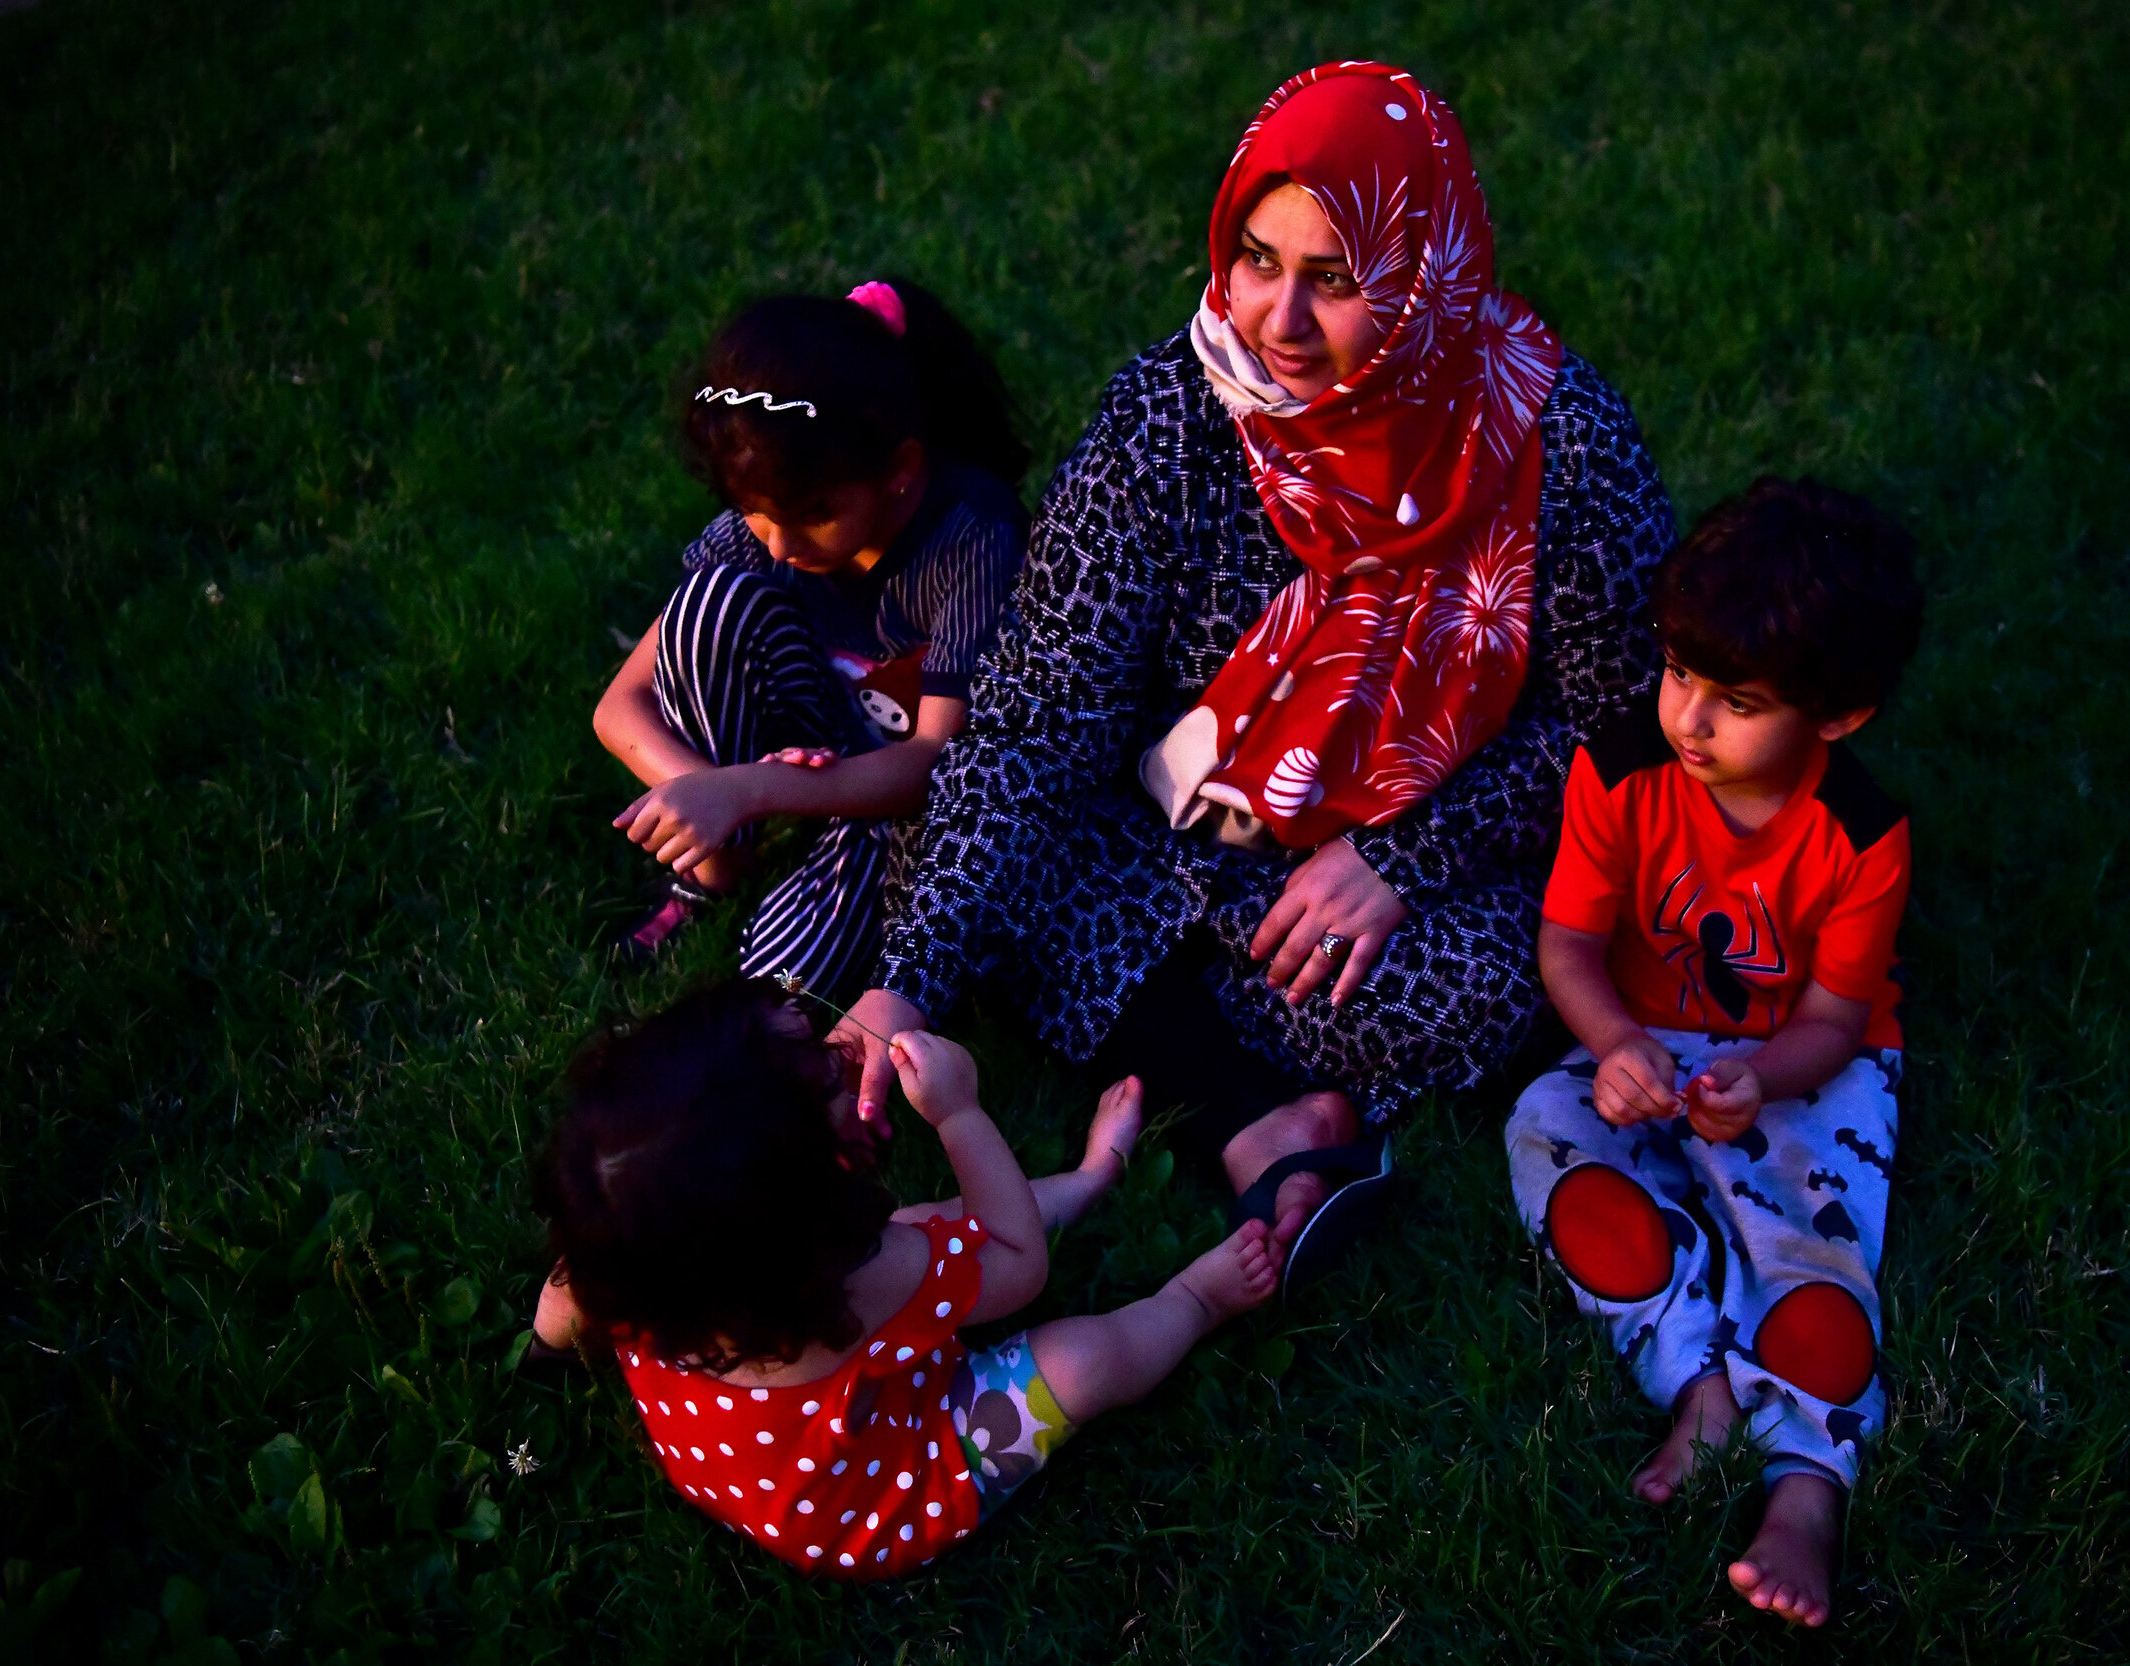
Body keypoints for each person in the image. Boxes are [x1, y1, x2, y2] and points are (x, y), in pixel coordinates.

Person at [827, 64, 1675, 1256]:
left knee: (1482, 981)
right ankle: (1258, 1112)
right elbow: (1038, 714)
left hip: (1416, 859)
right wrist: (905, 984)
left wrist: (1400, 856)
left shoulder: (1557, 439)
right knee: (960, 813)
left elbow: (1628, 724)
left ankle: (1198, 1055)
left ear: (1421, 273)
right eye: (1257, 261)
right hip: (1179, 813)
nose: (1275, 322)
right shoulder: (1170, 413)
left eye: (1332, 281)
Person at [1503, 476, 1924, 1626]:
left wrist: (1764, 1078)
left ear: (1835, 719)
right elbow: (1569, 945)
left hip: (1795, 1060)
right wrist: (1616, 1043)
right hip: (1643, 1037)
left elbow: (1838, 1019)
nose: (1687, 716)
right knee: (1547, 1130)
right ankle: (1691, 1375)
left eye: (1735, 700)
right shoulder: (1622, 766)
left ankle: (1805, 1484)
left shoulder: (1859, 833)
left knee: (1806, 1236)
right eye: (1680, 673)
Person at [528, 977, 1298, 1580]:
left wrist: (548, 1356)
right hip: (874, 1505)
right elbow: (1017, 1263)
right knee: (1079, 1360)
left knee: (934, 1227)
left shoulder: (628, 1251)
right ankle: (1193, 1298)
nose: (834, 1047)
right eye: (825, 1071)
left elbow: (560, 1314)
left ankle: (1087, 1183)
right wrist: (958, 1112)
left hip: (726, 1465)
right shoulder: (868, 1279)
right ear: (796, 1193)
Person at [593, 281, 1028, 993]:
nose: (780, 542)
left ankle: (781, 899)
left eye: (814, 515)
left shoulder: (971, 540)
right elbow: (619, 707)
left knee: (780, 981)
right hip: (801, 743)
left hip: (900, 800)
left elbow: (931, 765)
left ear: (900, 473)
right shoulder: (772, 517)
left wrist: (757, 789)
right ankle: (715, 870)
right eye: (754, 512)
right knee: (709, 602)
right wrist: (720, 792)